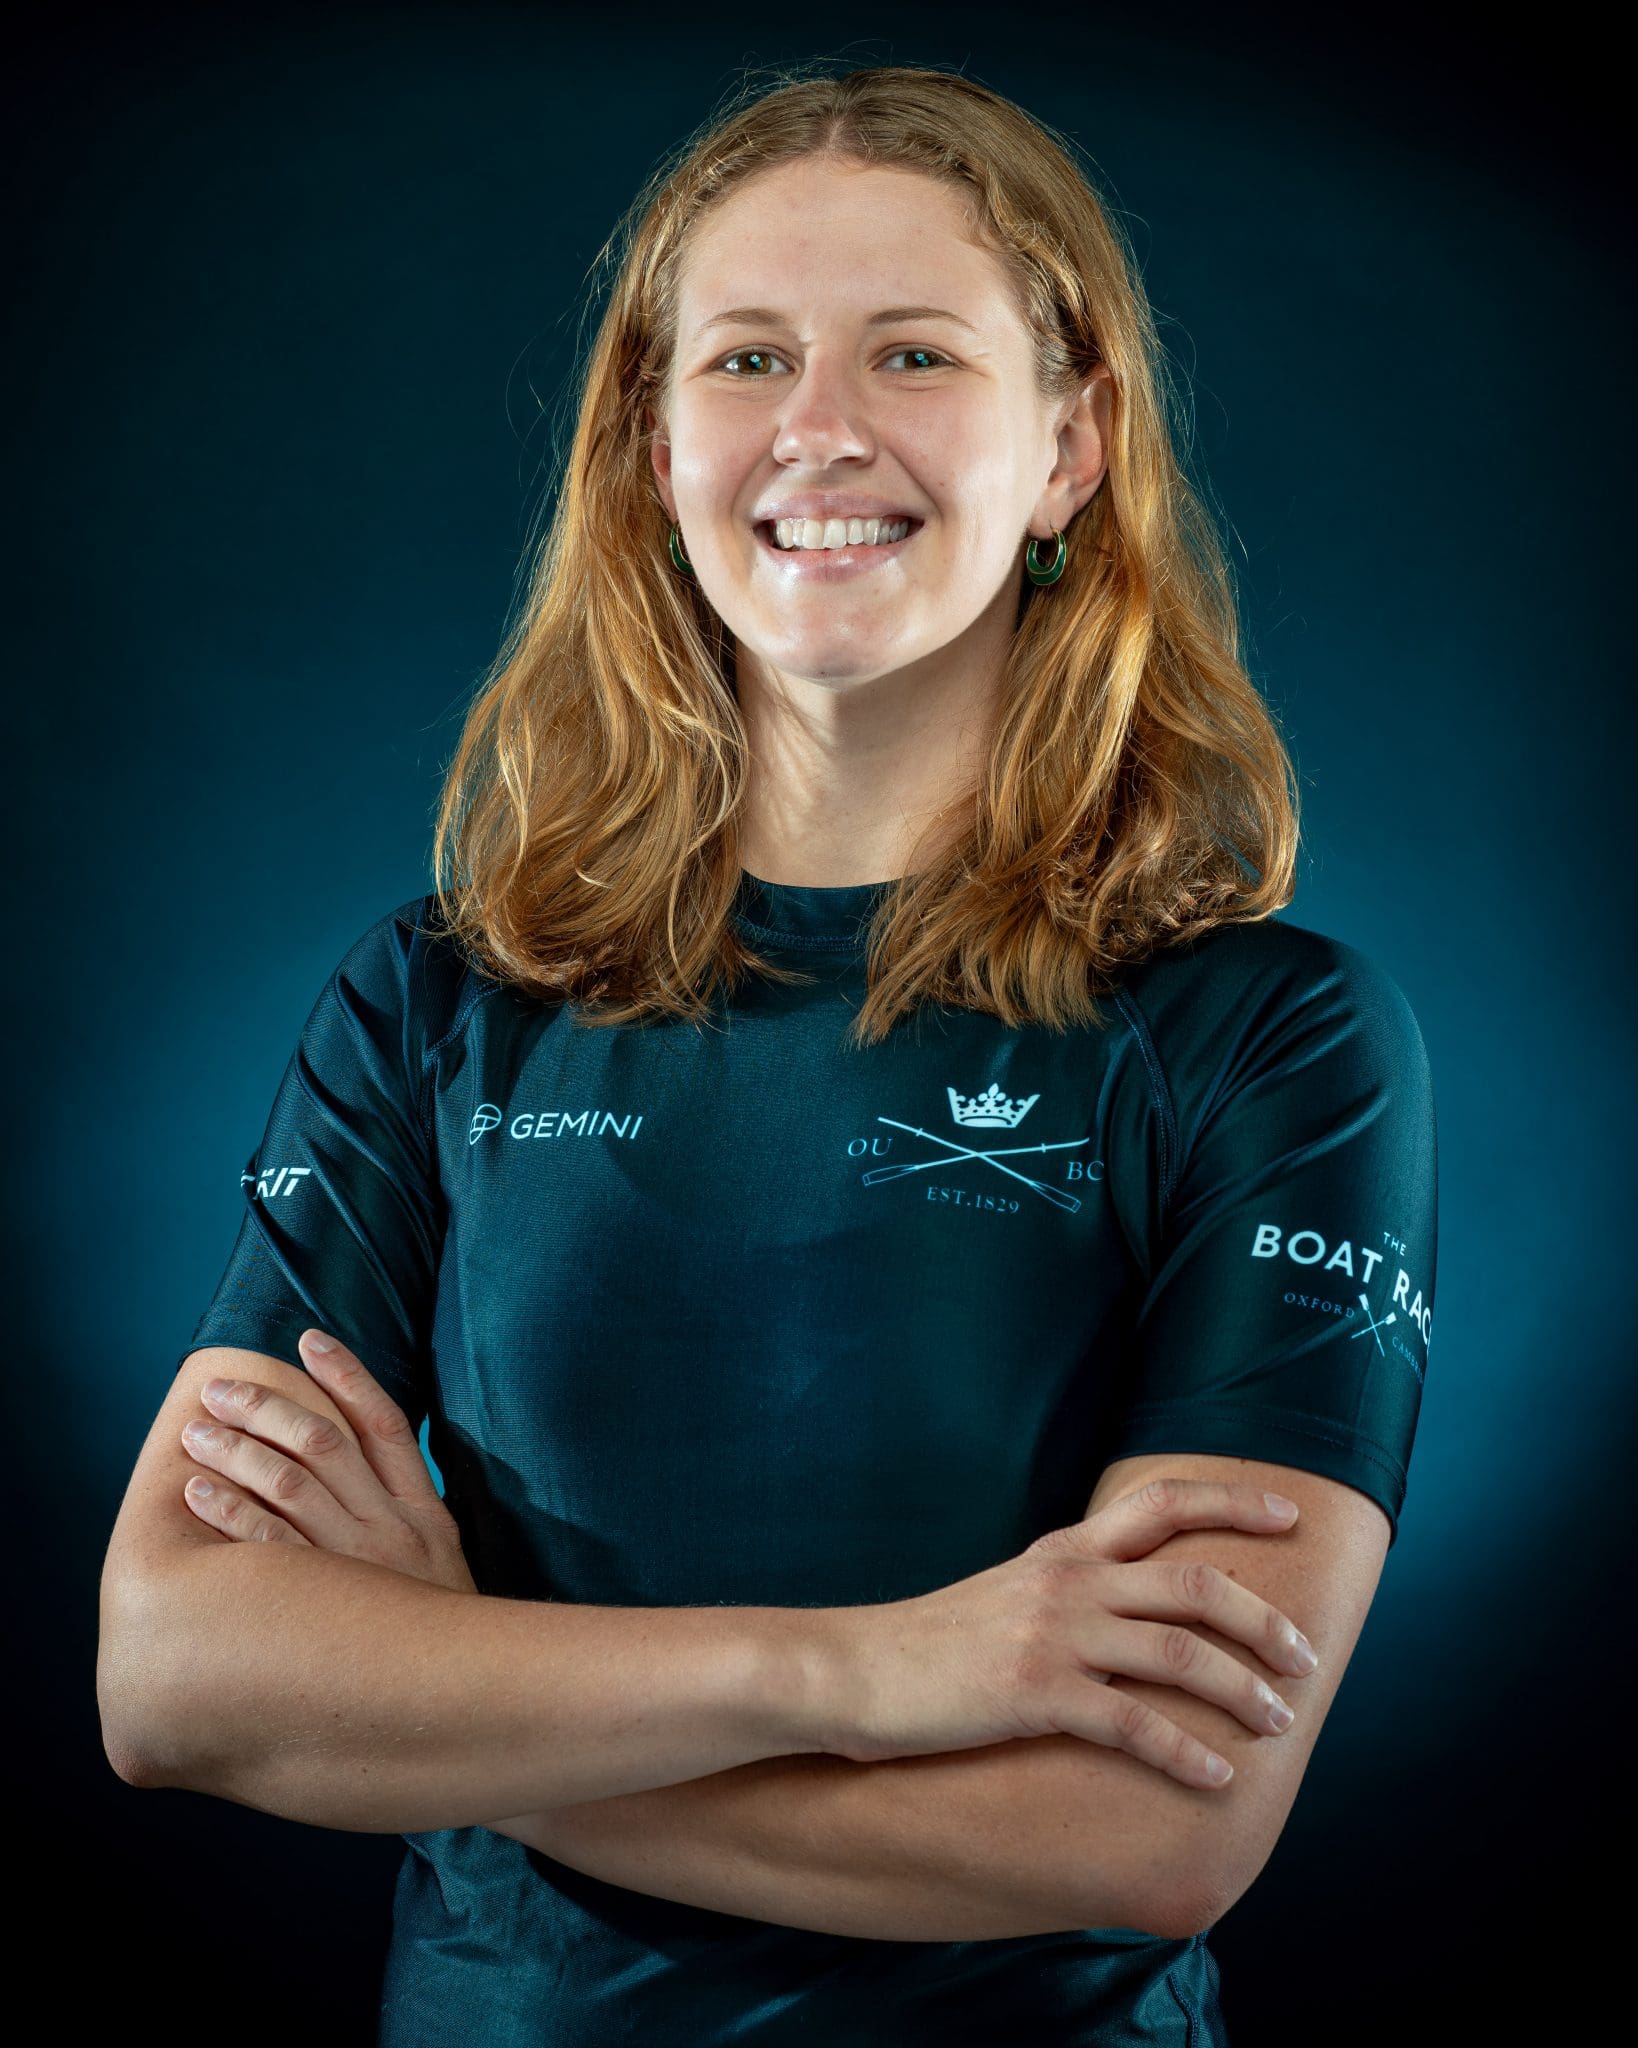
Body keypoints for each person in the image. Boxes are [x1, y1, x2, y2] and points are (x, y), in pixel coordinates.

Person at [98, 61, 1438, 2047]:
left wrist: (441, 1690)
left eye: (914, 352)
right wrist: (860, 1672)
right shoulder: (438, 1000)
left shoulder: (1271, 1039)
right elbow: (174, 1675)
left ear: (1069, 446)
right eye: (746, 358)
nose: (819, 426)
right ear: (654, 447)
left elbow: (1143, 1825)